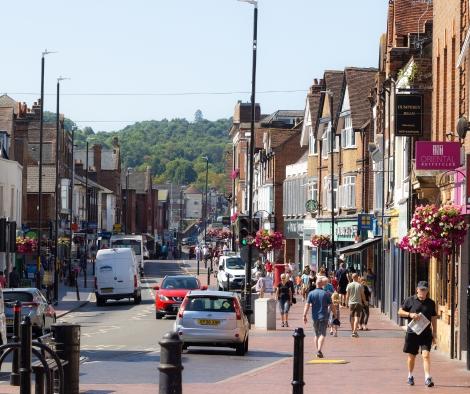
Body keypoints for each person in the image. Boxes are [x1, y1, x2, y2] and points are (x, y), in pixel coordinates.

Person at [398, 281, 437, 388]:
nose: (422, 292)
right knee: (412, 356)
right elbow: (400, 312)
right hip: (412, 333)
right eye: (420, 289)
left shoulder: (431, 303)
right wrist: (410, 314)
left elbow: (433, 318)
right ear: (417, 289)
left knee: (426, 355)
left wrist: (434, 332)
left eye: (424, 290)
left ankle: (427, 378)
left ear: (427, 291)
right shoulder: (410, 300)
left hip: (426, 333)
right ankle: (410, 376)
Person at [303, 277, 337, 358]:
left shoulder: (311, 293)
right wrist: (335, 314)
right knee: (322, 334)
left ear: (315, 284)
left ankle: (317, 351)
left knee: (316, 334)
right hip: (324, 316)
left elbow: (307, 305)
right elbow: (331, 306)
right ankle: (319, 350)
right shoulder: (326, 294)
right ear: (321, 284)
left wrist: (304, 315)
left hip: (315, 317)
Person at [346, 273, 366, 337]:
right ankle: (355, 331)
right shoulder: (360, 285)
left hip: (351, 303)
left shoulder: (349, 285)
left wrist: (346, 303)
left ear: (352, 277)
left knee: (352, 317)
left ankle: (353, 331)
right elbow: (362, 295)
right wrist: (365, 302)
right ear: (357, 277)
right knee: (357, 317)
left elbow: (347, 295)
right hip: (358, 303)